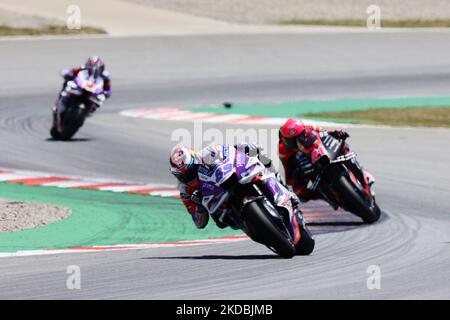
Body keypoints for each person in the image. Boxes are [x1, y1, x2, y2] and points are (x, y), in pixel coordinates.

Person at [169, 143, 303, 229]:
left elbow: (229, 150)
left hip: (230, 179)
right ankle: (253, 226)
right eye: (183, 176)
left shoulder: (207, 153)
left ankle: (282, 186)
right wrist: (199, 206)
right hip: (222, 206)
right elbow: (199, 223)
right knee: (221, 223)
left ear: (195, 160)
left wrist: (244, 148)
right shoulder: (185, 191)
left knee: (257, 155)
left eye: (190, 171)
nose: (188, 177)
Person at [278, 118, 374, 202]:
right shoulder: (283, 149)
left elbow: (324, 133)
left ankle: (362, 173)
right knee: (300, 192)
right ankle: (325, 196)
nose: (296, 141)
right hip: (309, 170)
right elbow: (288, 170)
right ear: (284, 139)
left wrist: (335, 133)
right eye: (291, 140)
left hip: (324, 156)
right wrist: (296, 179)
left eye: (299, 137)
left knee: (343, 145)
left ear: (303, 132)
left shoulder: (309, 128)